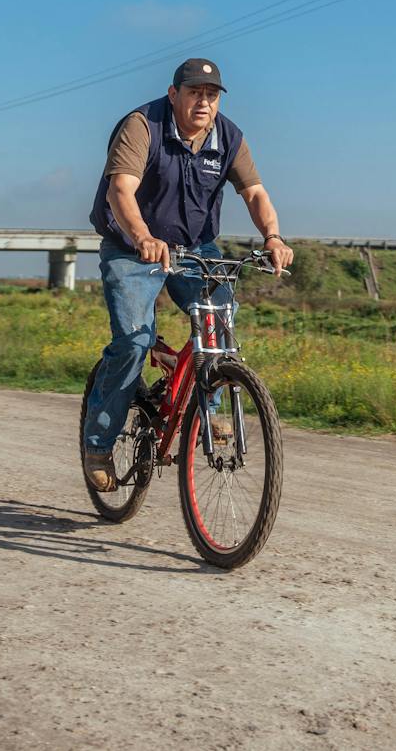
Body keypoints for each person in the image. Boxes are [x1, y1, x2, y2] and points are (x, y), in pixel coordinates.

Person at [80, 58, 293, 491]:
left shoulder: (228, 137)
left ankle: (205, 412)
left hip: (195, 246)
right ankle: (98, 443)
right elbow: (121, 188)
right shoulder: (143, 126)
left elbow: (254, 191)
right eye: (194, 92)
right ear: (174, 93)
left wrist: (273, 236)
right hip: (133, 247)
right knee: (134, 342)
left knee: (218, 322)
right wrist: (141, 236)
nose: (203, 102)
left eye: (211, 95)